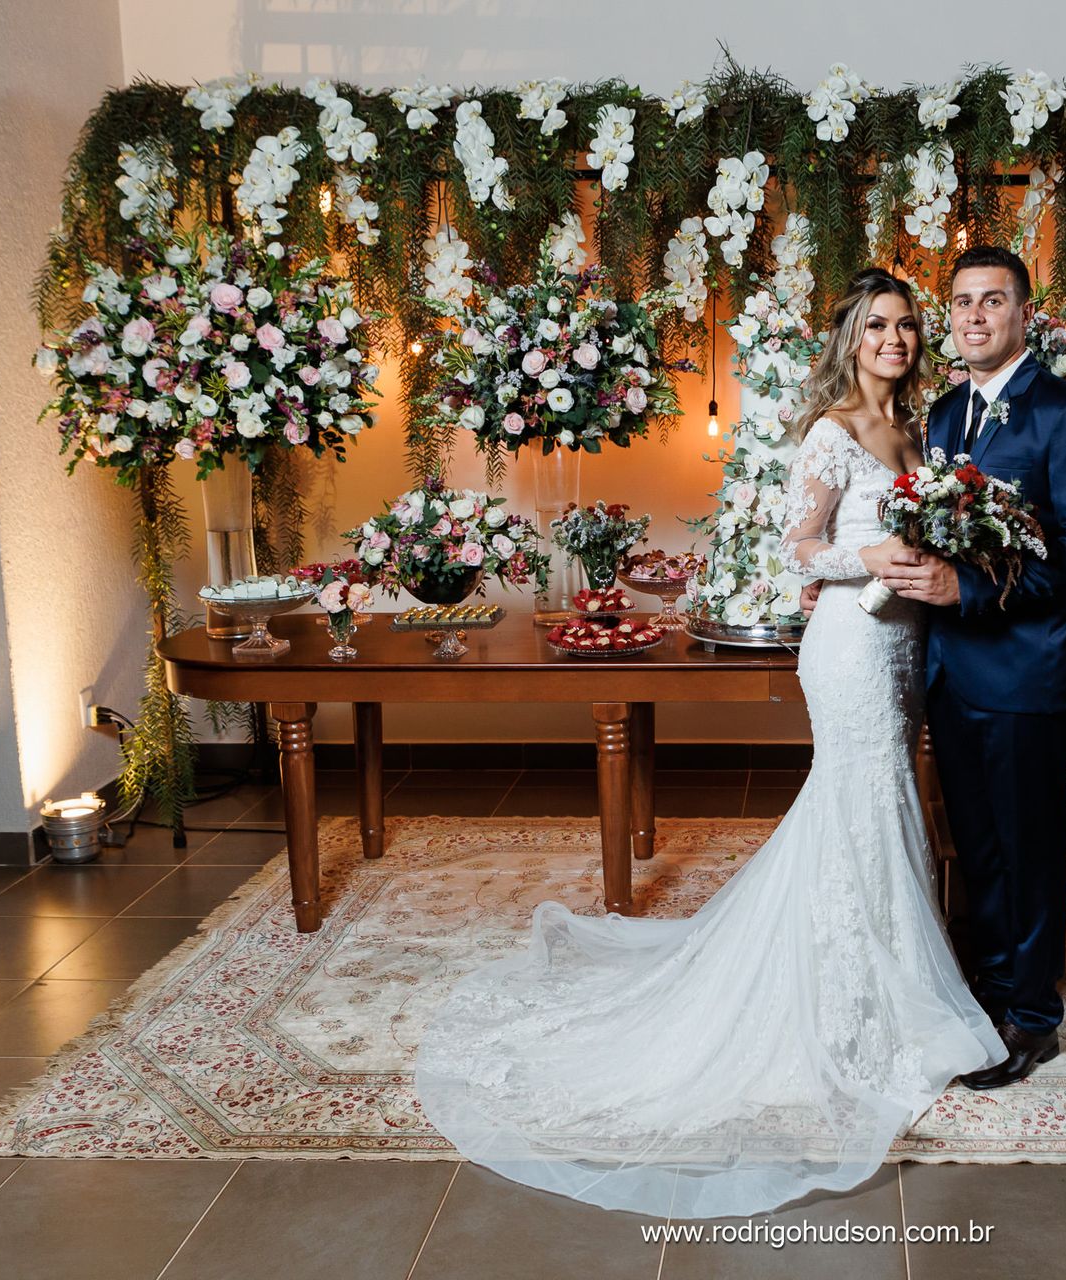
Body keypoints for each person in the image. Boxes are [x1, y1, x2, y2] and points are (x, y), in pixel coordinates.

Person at [415, 267, 1004, 1220]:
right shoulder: (834, 431)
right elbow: (795, 545)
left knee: (888, 797)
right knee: (861, 794)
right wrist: (864, 560)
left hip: (910, 643)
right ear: (851, 339)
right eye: (877, 327)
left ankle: (884, 974)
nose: (894, 341)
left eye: (905, 327)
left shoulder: (921, 428)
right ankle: (847, 997)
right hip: (853, 645)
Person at [878, 245, 1066, 1089]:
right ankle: (984, 990)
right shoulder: (943, 415)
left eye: (992, 301)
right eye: (962, 303)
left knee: (1026, 845)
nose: (974, 316)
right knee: (974, 845)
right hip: (951, 671)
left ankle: (1032, 1016)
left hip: (1025, 672)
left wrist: (968, 588)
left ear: (1024, 314)